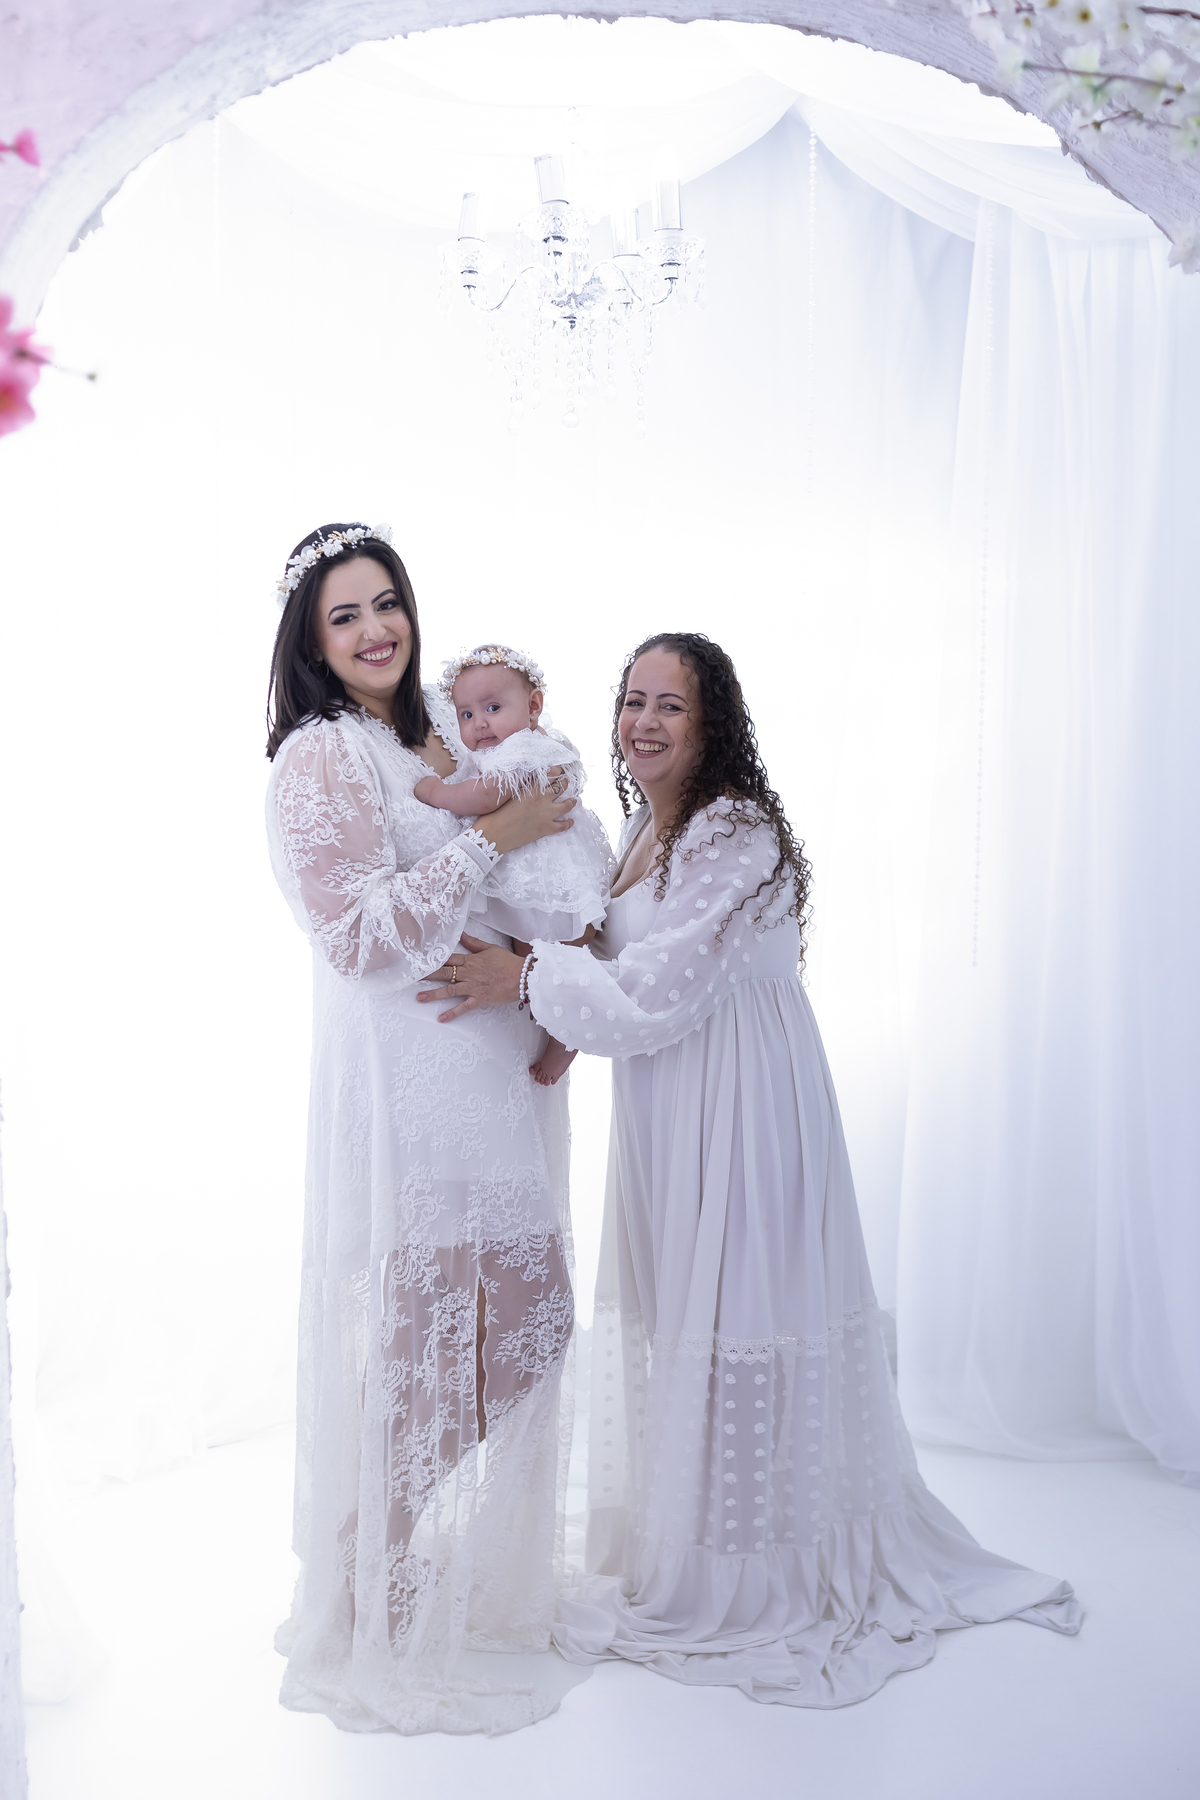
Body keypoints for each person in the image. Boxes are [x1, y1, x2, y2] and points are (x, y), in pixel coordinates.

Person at [419, 629, 1082, 1708]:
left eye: (670, 705)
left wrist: (526, 975)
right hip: (671, 1103)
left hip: (739, 1104)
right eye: (632, 700)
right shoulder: (641, 828)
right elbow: (609, 959)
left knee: (743, 1313)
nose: (643, 721)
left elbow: (659, 992)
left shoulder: (733, 833)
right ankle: (694, 1535)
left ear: (713, 721)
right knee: (689, 1313)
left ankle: (757, 1561)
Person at [264, 523, 580, 1736]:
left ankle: (375, 1546)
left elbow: (509, 879)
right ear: (311, 641)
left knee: (520, 1319)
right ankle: (368, 1557)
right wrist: (492, 842)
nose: (375, 631)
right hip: (412, 1080)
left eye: (386, 603)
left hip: (484, 1073)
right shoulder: (319, 759)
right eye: (345, 617)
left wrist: (546, 977)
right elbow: (353, 938)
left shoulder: (427, 741)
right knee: (441, 1330)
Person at [414, 643, 614, 1087]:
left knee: (555, 960)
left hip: (550, 878)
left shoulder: (523, 748)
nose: (479, 723)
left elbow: (488, 796)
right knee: (538, 956)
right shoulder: (515, 744)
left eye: (492, 707)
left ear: (534, 705)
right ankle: (557, 1032)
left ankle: (565, 1041)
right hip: (538, 875)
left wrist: (437, 793)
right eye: (466, 714)